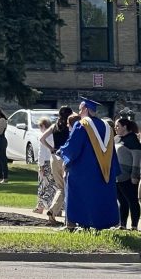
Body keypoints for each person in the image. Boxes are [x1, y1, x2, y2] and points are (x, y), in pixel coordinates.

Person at [60, 97, 120, 231]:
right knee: (100, 197)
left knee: (80, 196)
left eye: (80, 109)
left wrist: (63, 153)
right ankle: (100, 225)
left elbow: (73, 147)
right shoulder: (107, 127)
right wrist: (113, 170)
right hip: (104, 171)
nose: (79, 112)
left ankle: (80, 225)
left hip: (83, 170)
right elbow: (112, 152)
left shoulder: (82, 125)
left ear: (86, 109)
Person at [42, 106, 72, 225]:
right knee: (63, 188)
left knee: (59, 186)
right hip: (64, 158)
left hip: (54, 157)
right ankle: (53, 211)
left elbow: (42, 138)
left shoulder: (55, 126)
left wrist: (51, 148)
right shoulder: (70, 127)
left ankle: (53, 215)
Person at [114, 117, 141, 230]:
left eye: (117, 126)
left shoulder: (132, 140)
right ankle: (122, 224)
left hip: (128, 176)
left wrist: (134, 175)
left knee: (132, 201)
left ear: (125, 127)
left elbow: (137, 158)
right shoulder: (116, 139)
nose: (115, 128)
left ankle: (134, 225)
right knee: (122, 201)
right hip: (117, 176)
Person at [34, 117, 59, 223]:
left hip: (45, 163)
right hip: (54, 161)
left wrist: (40, 165)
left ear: (43, 126)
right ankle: (57, 208)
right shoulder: (54, 135)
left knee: (45, 185)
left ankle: (40, 206)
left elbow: (41, 153)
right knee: (55, 185)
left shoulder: (44, 136)